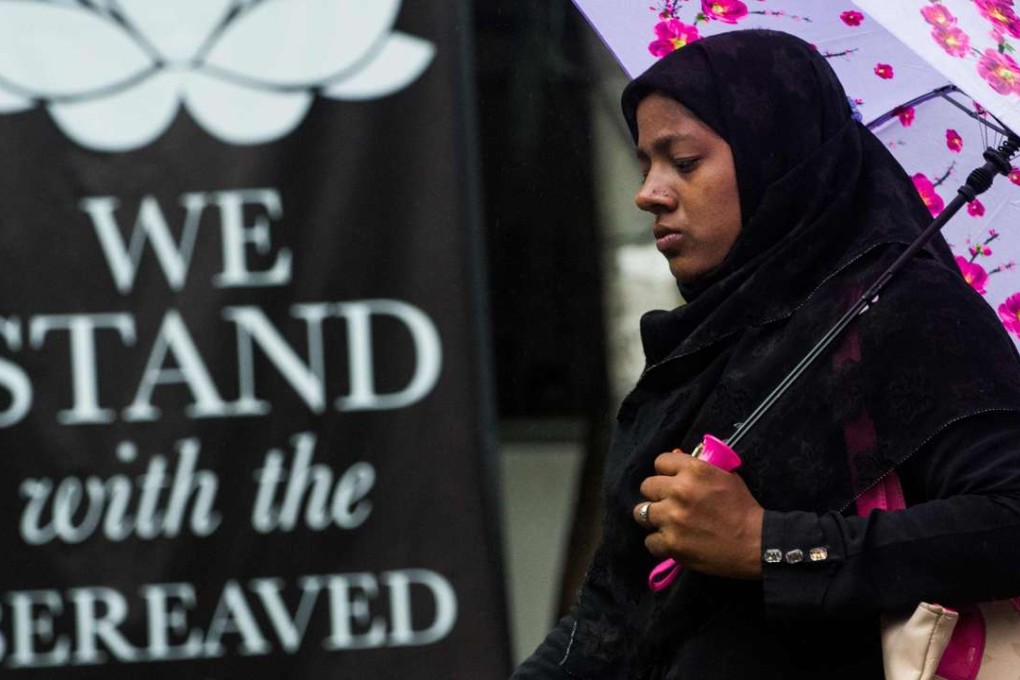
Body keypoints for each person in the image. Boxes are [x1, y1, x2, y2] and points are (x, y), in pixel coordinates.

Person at [511, 29, 1020, 679]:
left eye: (684, 162)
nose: (650, 193)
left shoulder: (903, 310)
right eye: (645, 164)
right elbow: (617, 609)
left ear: (773, 158)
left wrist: (771, 545)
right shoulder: (709, 341)